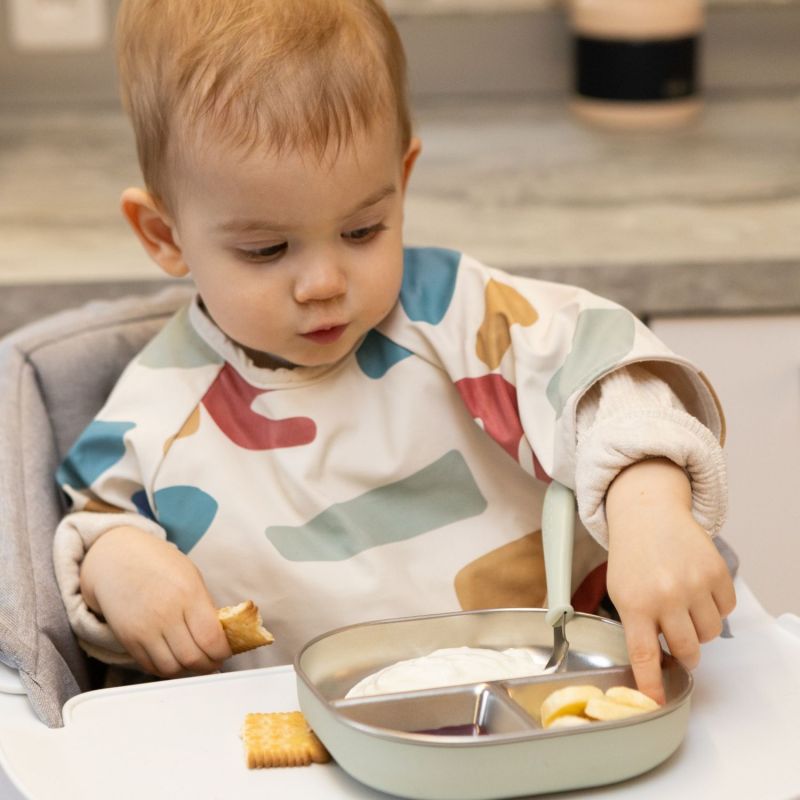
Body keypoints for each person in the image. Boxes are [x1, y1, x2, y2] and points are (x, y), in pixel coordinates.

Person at [53, 0, 734, 705]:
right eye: (267, 249)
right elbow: (95, 525)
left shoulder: (463, 321)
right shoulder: (160, 411)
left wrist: (649, 505)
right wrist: (122, 567)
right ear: (163, 234)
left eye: (362, 230)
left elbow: (609, 382)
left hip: (541, 705)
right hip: (295, 749)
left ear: (402, 180)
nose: (323, 284)